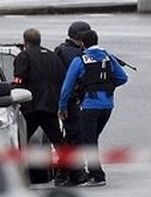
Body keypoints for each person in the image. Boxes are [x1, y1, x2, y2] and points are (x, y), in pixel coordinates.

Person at [58, 29, 128, 187]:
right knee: (92, 138)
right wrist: (107, 86)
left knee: (88, 140)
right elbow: (123, 77)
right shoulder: (108, 57)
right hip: (108, 106)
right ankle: (94, 172)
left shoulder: (80, 60)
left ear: (82, 43)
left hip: (90, 106)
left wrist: (62, 107)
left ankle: (97, 175)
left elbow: (67, 87)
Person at [12, 28, 74, 187]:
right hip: (50, 106)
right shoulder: (53, 57)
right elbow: (62, 79)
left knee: (20, 140)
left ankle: (13, 173)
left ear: (26, 41)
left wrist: (16, 93)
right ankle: (71, 171)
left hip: (31, 106)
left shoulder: (24, 56)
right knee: (58, 140)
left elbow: (19, 80)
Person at [54, 21, 89, 185]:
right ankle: (70, 172)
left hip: (64, 99)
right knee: (75, 137)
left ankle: (69, 172)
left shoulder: (62, 50)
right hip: (70, 100)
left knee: (71, 136)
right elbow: (76, 79)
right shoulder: (73, 54)